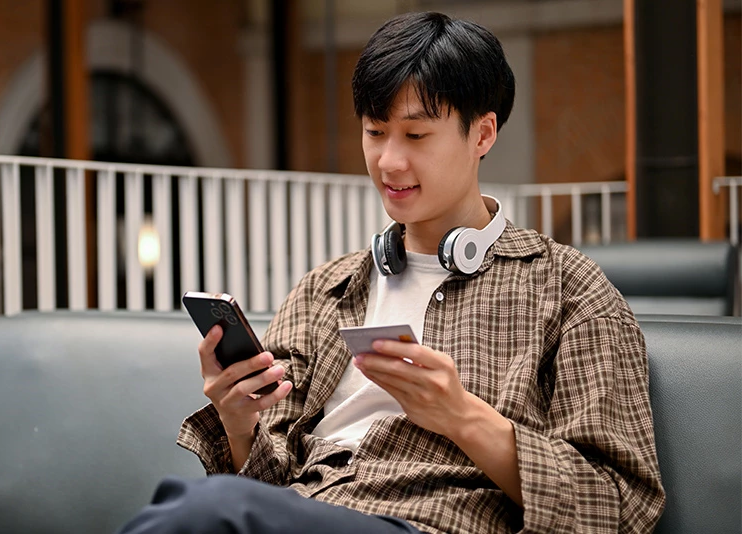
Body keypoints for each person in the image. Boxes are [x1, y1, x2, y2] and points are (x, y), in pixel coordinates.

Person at [118, 11, 665, 534]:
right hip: (303, 513)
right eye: (376, 132)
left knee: (203, 509)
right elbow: (267, 485)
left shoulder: (570, 291)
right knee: (209, 509)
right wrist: (239, 425)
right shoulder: (326, 291)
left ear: (482, 134)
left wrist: (464, 418)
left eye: (416, 136)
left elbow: (618, 508)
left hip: (429, 523)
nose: (389, 162)